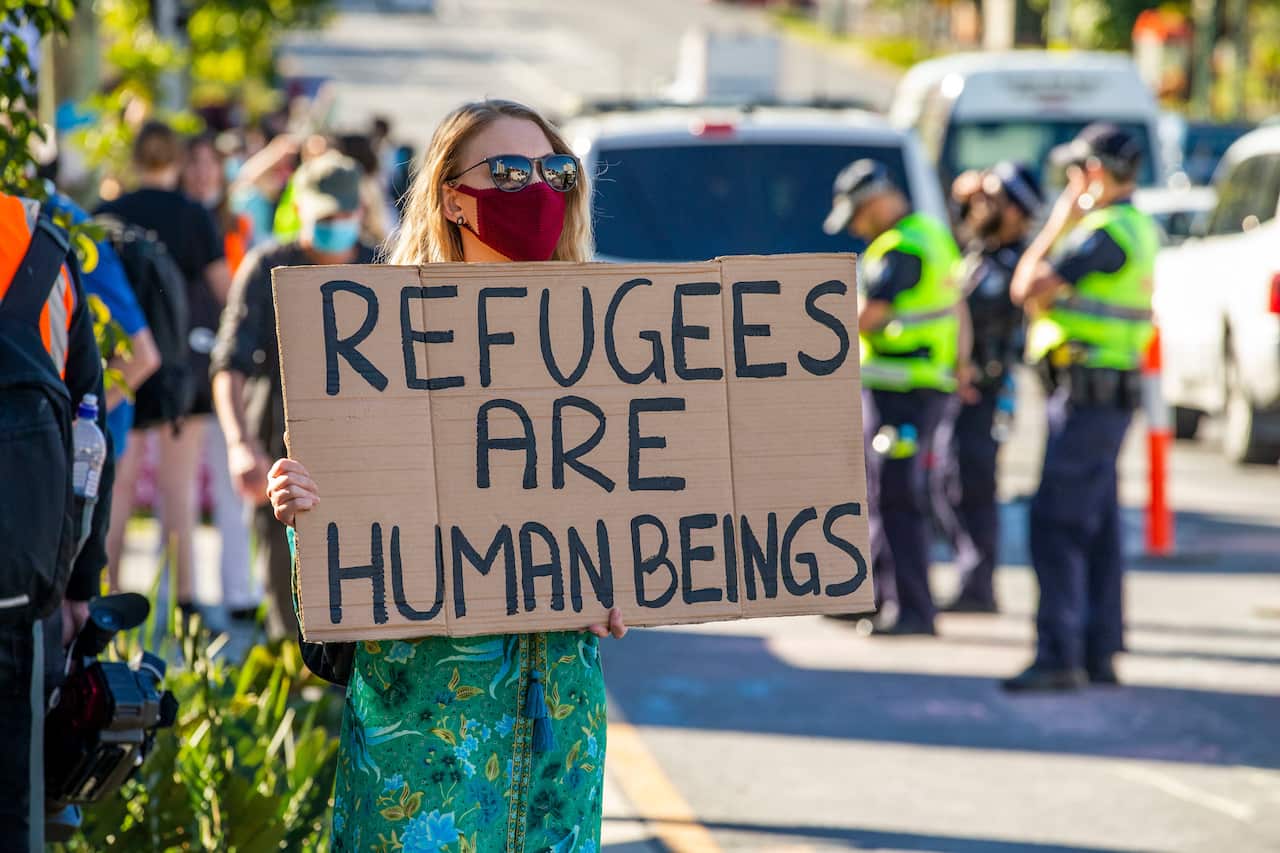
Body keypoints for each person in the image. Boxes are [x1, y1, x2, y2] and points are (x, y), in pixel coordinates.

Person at [266, 99, 627, 850]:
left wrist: (627, 584)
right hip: (421, 732)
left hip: (559, 725)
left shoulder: (603, 345)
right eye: (508, 171)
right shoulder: (372, 346)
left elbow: (629, 511)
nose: (536, 188)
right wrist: (306, 511)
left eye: (554, 171)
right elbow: (343, 584)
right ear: (454, 197)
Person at [1006, 124, 1158, 691]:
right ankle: (1097, 653)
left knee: (1056, 523)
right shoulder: (1132, 227)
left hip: (1089, 396)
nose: (1069, 183)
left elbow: (1027, 287)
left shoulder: (1102, 233)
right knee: (1095, 529)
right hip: (1099, 393)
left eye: (1076, 172)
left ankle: (1059, 657)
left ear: (1094, 173)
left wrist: (1058, 221)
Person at [212, 151, 378, 639]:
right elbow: (228, 363)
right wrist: (240, 444)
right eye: (324, 215)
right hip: (281, 455)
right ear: (301, 210)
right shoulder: (268, 266)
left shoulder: (381, 264)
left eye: (343, 214)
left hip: (366, 458)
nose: (335, 225)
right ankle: (295, 680)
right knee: (289, 588)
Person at [0, 192, 113, 851]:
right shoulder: (39, 243)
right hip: (22, 584)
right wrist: (79, 584)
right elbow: (89, 432)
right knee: (15, 806)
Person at [822, 159, 965, 635]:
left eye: (860, 216)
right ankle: (878, 597)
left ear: (878, 200)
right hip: (918, 386)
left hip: (901, 391)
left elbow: (865, 317)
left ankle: (912, 609)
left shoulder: (901, 248)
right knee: (886, 495)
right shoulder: (932, 234)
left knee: (898, 499)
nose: (859, 229)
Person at [97, 120, 231, 610]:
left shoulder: (105, 214)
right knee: (179, 492)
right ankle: (186, 603)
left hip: (120, 367)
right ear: (175, 162)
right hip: (181, 372)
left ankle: (102, 595)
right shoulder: (194, 215)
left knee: (117, 488)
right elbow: (224, 292)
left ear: (134, 160)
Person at [933, 161, 1042, 614]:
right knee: (949, 482)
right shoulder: (982, 250)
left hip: (985, 389)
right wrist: (963, 196)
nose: (981, 205)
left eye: (992, 199)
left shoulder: (1012, 264)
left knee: (972, 486)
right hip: (960, 389)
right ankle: (971, 576)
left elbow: (984, 316)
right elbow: (964, 229)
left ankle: (978, 585)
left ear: (1016, 211)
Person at [182, 133, 260, 623]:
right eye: (195, 163)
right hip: (187, 367)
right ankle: (185, 592)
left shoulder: (236, 224)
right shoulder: (176, 220)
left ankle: (239, 591)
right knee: (182, 490)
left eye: (211, 163)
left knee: (236, 481)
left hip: (228, 361)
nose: (204, 173)